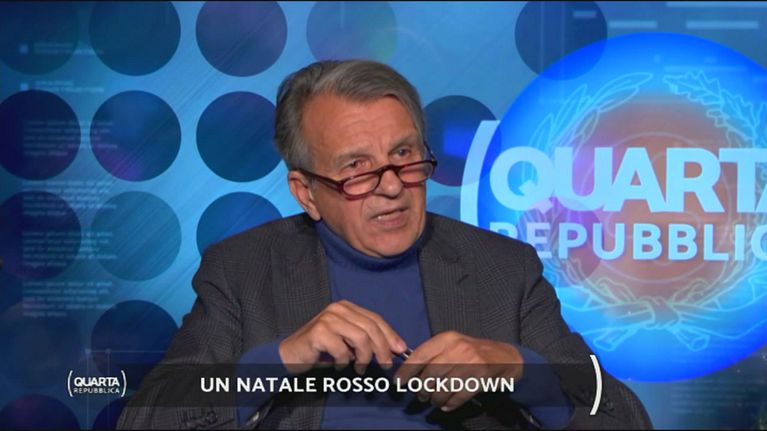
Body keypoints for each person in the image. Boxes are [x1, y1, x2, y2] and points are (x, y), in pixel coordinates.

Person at [118, 60, 651, 429]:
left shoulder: (502, 269)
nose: (392, 186)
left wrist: (516, 368)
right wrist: (280, 360)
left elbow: (622, 417)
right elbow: (146, 419)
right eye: (357, 168)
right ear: (306, 192)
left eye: (403, 155)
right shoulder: (242, 270)